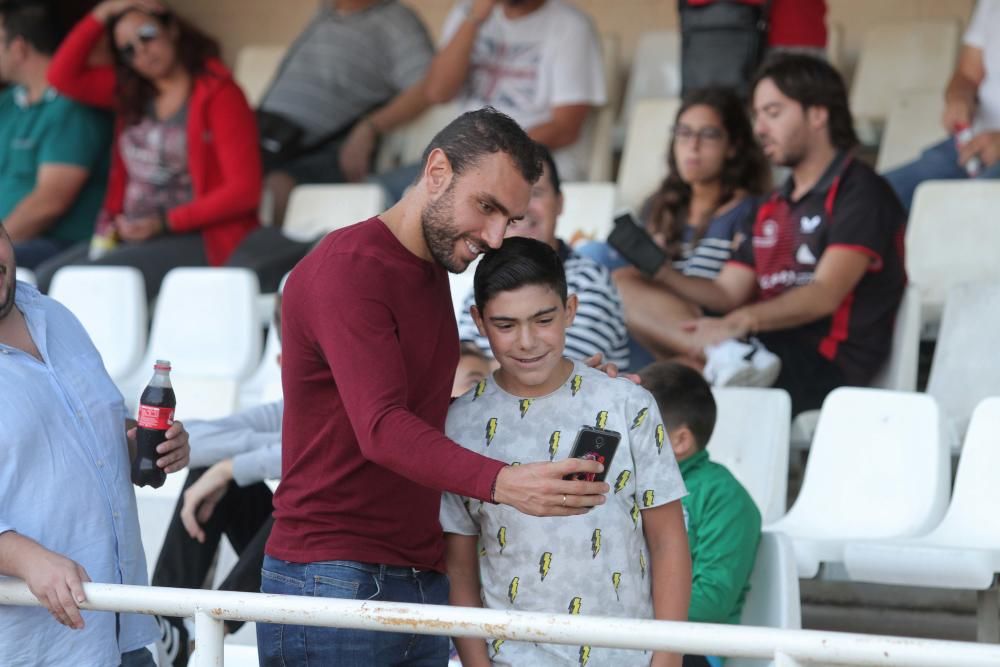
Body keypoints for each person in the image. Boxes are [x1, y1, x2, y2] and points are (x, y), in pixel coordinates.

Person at [258, 107, 614, 666]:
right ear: (437, 170)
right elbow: (382, 428)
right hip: (333, 579)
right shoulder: (349, 267)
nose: (496, 237)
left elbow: (427, 416)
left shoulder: (427, 271)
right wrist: (504, 483)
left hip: (416, 575)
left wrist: (565, 392)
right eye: (487, 207)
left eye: (511, 219)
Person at [442, 237, 690, 667]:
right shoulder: (458, 424)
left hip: (625, 657)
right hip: (512, 659)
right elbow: (459, 566)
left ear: (570, 310)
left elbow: (668, 539)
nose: (526, 341)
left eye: (543, 319)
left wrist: (666, 659)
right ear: (478, 322)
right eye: (505, 324)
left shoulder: (628, 404)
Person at [645, 54, 906, 415]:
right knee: (626, 291)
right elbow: (727, 292)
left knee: (668, 390)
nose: (760, 129)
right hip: (763, 347)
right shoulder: (770, 205)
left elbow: (825, 293)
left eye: (773, 112)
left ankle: (717, 357)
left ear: (818, 114)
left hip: (825, 362)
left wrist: (742, 321)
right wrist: (661, 272)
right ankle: (718, 354)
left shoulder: (860, 190)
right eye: (758, 116)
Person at [0, 219, 190, 667]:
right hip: (32, 649)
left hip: (120, 627)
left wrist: (146, 448)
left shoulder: (54, 314)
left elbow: (90, 433)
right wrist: (26, 558)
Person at [36, 0, 260, 300]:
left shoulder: (219, 93)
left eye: (147, 35)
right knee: (44, 281)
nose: (141, 51)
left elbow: (244, 191)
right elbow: (61, 76)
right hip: (128, 236)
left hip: (199, 237)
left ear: (172, 28)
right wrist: (104, 13)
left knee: (84, 286)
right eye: (127, 49)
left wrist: (164, 223)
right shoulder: (131, 92)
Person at [578, 87, 769, 368]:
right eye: (684, 134)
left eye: (708, 135)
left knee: (601, 261)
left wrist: (663, 272)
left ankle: (723, 355)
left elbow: (729, 297)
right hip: (649, 335)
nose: (692, 146)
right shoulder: (660, 206)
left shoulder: (751, 211)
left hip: (709, 326)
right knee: (593, 259)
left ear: (734, 146)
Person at [150, 293, 284, 667]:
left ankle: (211, 630)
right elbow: (199, 438)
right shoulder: (293, 405)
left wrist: (231, 466)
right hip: (305, 554)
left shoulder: (356, 394)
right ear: (283, 360)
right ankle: (168, 626)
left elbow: (332, 461)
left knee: (303, 495)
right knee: (207, 475)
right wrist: (231, 467)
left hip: (357, 549)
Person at [379, 0, 606, 201]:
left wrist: (489, 156)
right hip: (460, 160)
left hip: (532, 165)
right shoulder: (468, 12)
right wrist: (475, 18)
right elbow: (438, 92)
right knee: (374, 191)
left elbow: (565, 128)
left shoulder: (571, 26)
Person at [258, 0, 435, 225]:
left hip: (325, 149)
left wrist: (370, 127)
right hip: (269, 136)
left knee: (277, 186)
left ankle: (268, 257)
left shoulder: (396, 20)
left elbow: (427, 88)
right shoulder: (326, 13)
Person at [458, 144, 630, 369]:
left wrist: (479, 372)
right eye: (510, 195)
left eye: (535, 193)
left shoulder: (589, 281)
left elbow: (547, 377)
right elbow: (460, 373)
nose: (522, 209)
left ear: (560, 203)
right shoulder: (483, 280)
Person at [639, 361, 762, 667]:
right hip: (621, 635)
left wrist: (621, 605)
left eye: (635, 428)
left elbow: (712, 601)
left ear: (680, 440)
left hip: (690, 648)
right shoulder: (621, 485)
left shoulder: (723, 496)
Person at [0, 1, 112, 269]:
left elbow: (49, 203)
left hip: (55, 245)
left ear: (19, 48)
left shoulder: (72, 107)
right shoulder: (9, 101)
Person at [883, 0, 1000, 212]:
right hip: (968, 145)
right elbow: (967, 75)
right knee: (870, 198)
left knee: (969, 213)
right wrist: (959, 97)